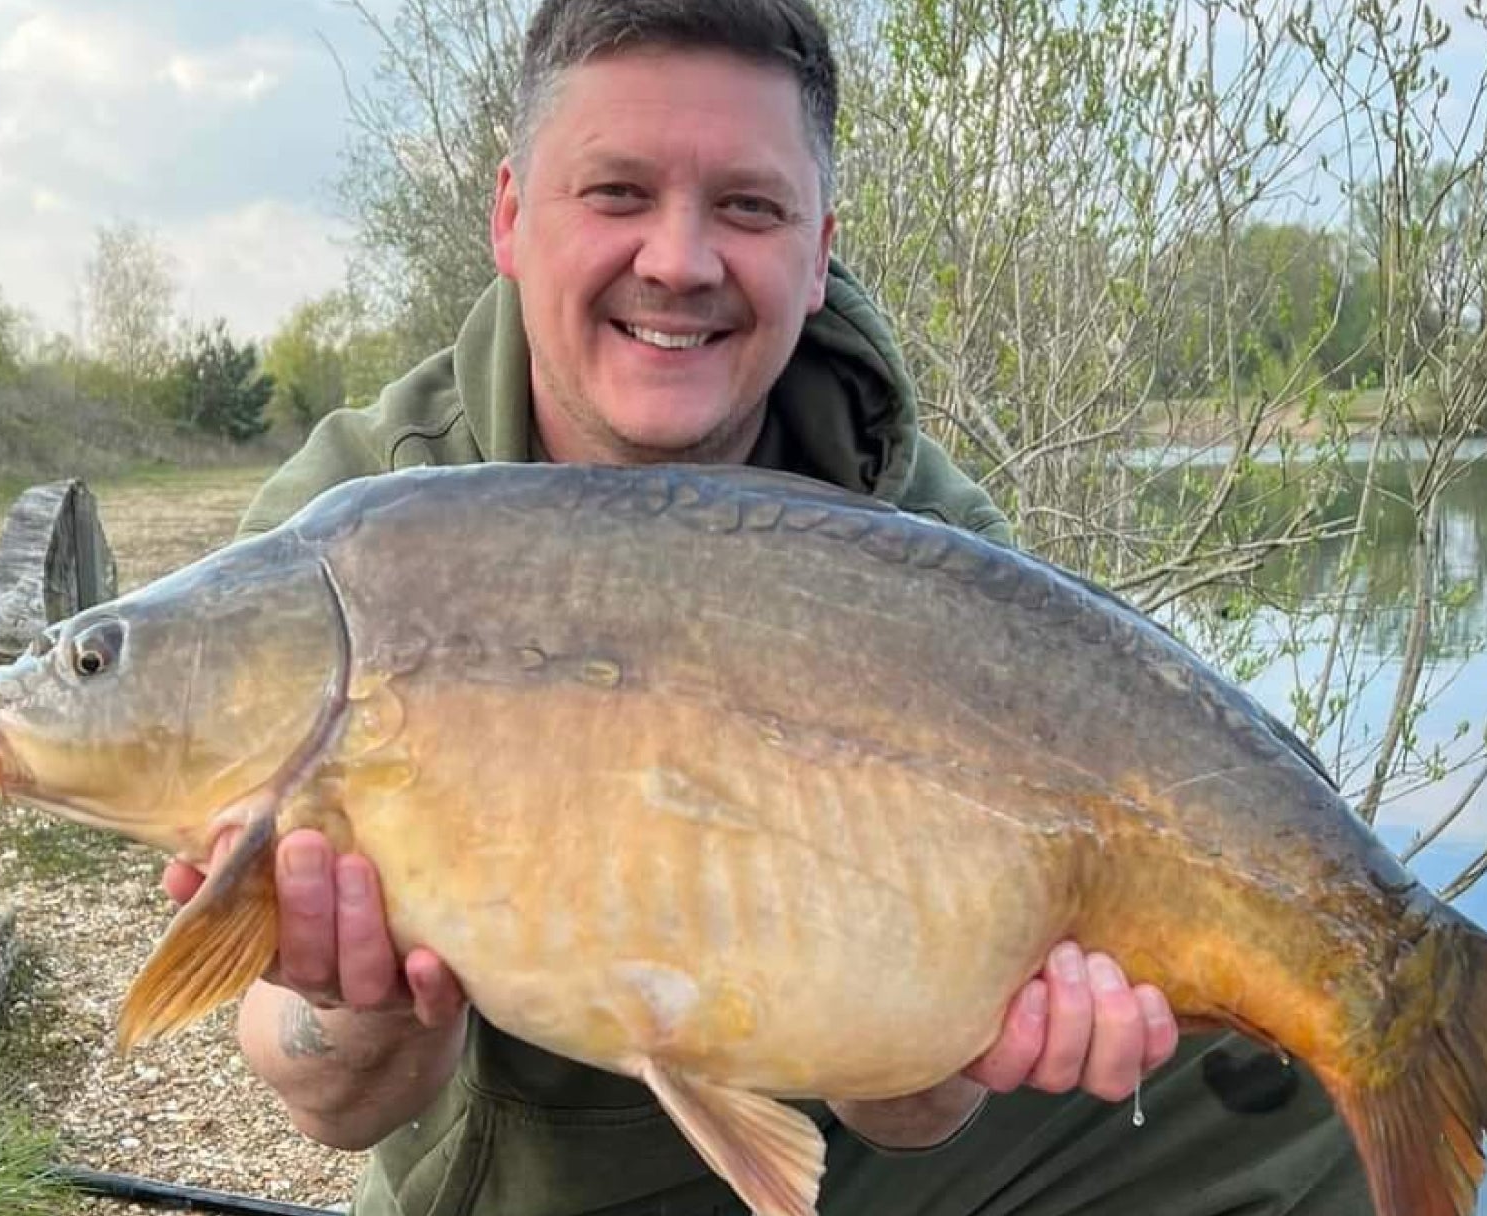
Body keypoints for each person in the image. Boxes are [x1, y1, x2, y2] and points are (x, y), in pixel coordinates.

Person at [165, 1, 1374, 1213]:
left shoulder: (921, 538)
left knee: (1288, 1090)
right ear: (513, 218)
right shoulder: (348, 537)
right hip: (524, 1171)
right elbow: (328, 1100)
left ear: (817, 248)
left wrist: (976, 1029)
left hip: (830, 1115)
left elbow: (914, 1113)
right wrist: (358, 1002)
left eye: (747, 207)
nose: (680, 260)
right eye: (618, 193)